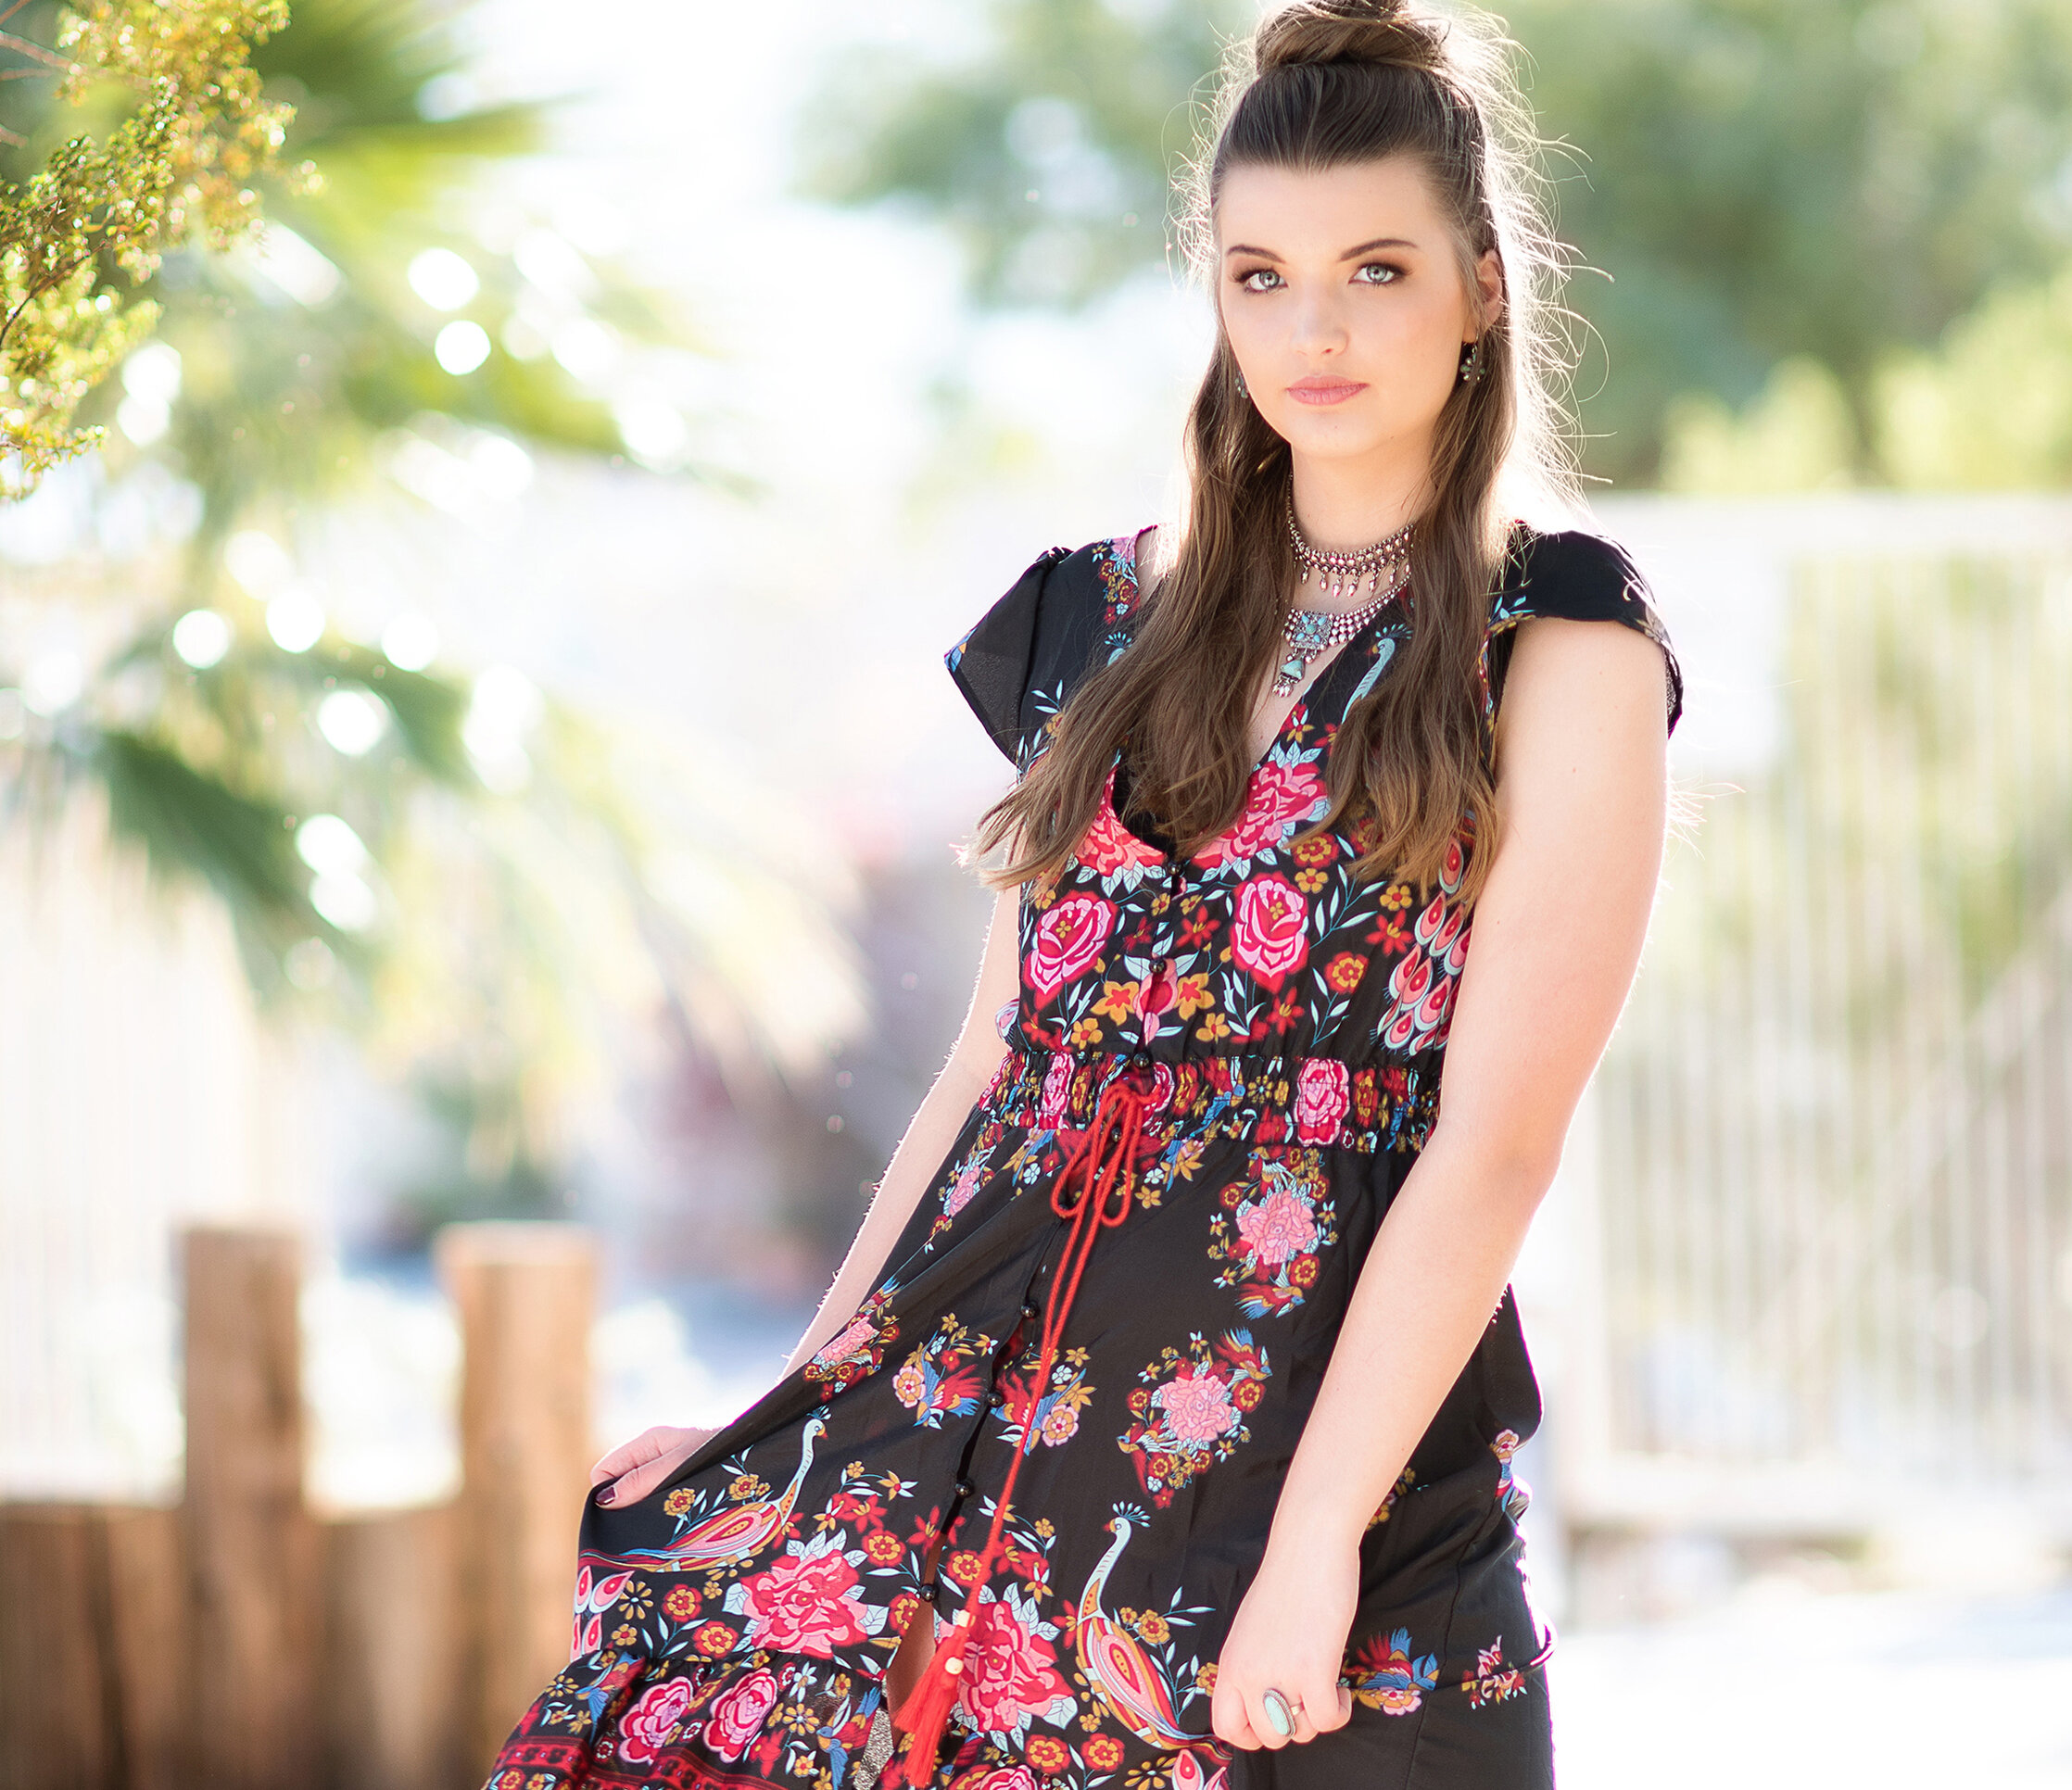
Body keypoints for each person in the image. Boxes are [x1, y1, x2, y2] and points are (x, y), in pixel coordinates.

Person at [485, 1, 1681, 1784]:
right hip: (1011, 1467)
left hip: (1350, 1488)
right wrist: (798, 1402)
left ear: (1484, 287)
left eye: (1374, 268)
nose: (1317, 327)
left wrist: (1310, 1554)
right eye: (1259, 277)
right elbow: (994, 1066)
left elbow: (1495, 1144)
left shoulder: (1560, 639)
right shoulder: (1090, 623)